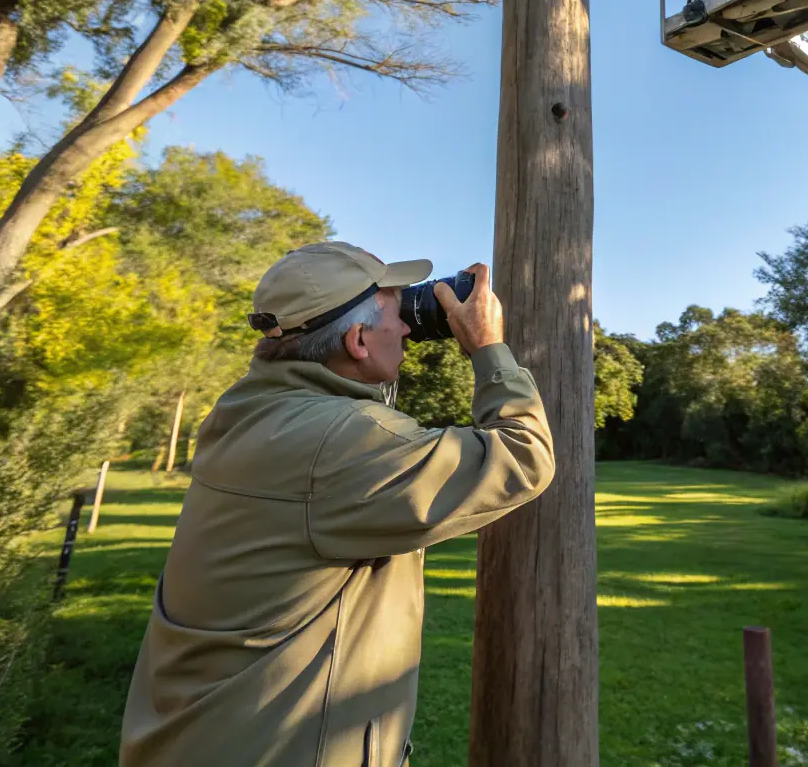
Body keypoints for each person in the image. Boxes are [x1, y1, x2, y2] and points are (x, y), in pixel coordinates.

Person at [119, 242, 555, 767]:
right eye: (400, 314)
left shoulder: (245, 412)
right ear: (357, 339)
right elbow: (522, 457)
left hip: (199, 737)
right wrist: (487, 347)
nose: (412, 329)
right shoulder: (340, 444)